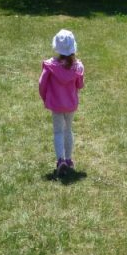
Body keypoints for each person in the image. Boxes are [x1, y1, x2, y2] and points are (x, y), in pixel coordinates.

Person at [38, 29, 85, 176]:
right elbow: (80, 85)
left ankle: (60, 160)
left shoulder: (51, 66)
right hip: (70, 104)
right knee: (68, 130)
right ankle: (69, 159)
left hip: (56, 105)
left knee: (58, 131)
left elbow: (42, 84)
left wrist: (45, 97)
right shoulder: (77, 67)